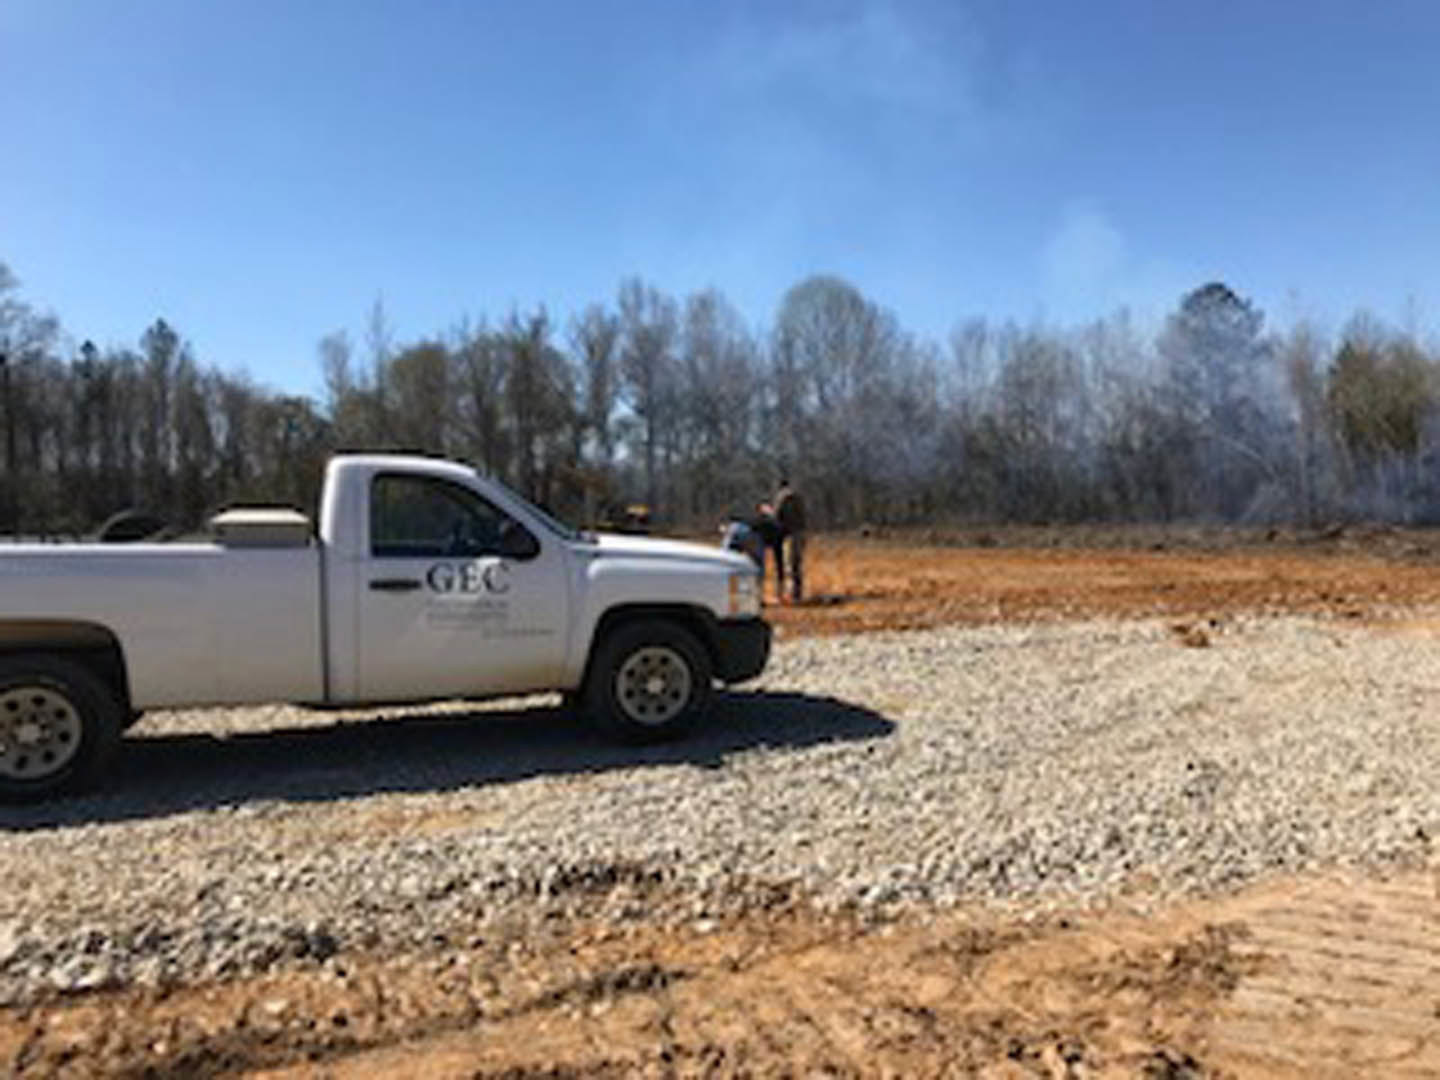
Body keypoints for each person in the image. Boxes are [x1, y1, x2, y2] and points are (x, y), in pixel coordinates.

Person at [774, 477, 807, 602]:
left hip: (789, 535)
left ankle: (791, 595)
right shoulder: (798, 497)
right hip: (801, 534)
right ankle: (798, 593)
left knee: (789, 565)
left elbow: (777, 516)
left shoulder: (782, 498)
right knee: (797, 565)